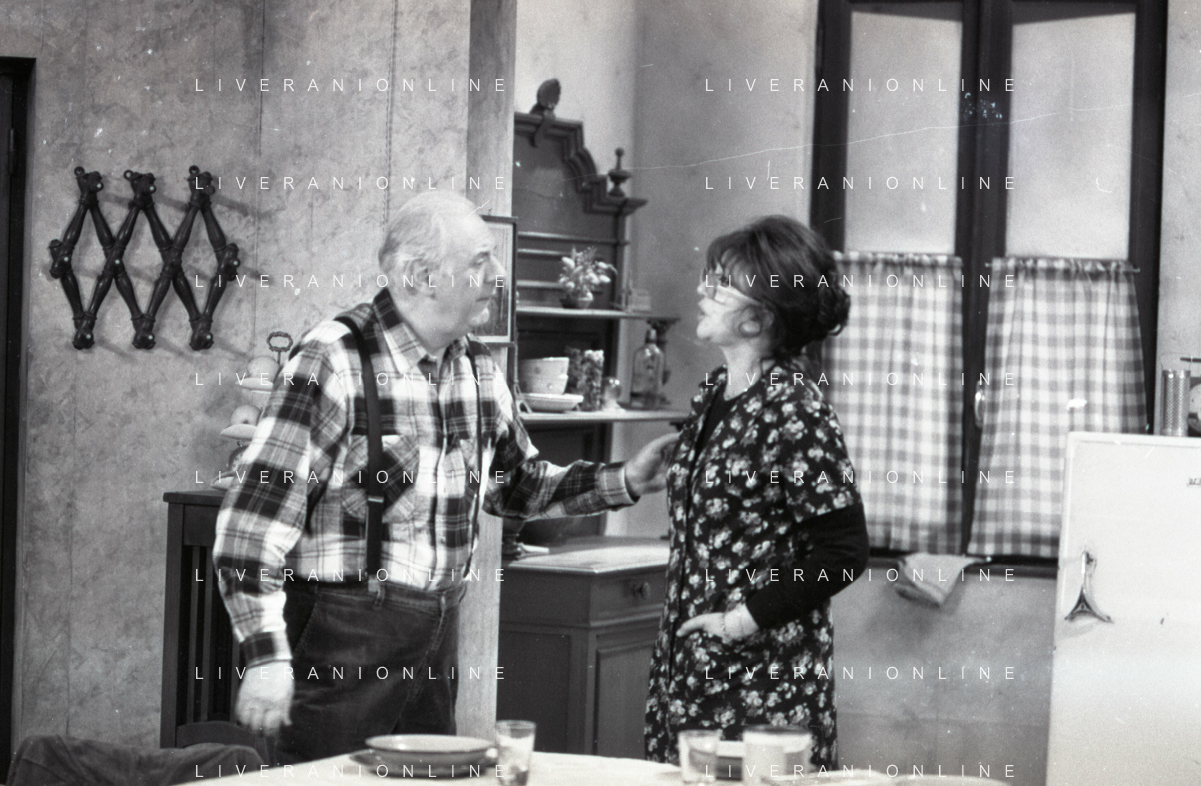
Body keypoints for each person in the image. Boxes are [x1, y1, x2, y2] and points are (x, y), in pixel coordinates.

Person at [213, 191, 676, 764]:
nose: (498, 274)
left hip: (435, 636)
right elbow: (251, 525)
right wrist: (266, 657)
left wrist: (625, 478)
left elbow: (518, 485)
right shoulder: (332, 358)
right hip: (343, 641)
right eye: (481, 260)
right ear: (421, 276)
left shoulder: (477, 366)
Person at [643, 215, 869, 768]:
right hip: (690, 667)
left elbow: (843, 552)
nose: (703, 290)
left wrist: (740, 620)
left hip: (763, 674)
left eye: (720, 284)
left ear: (758, 318)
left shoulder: (795, 408)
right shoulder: (715, 392)